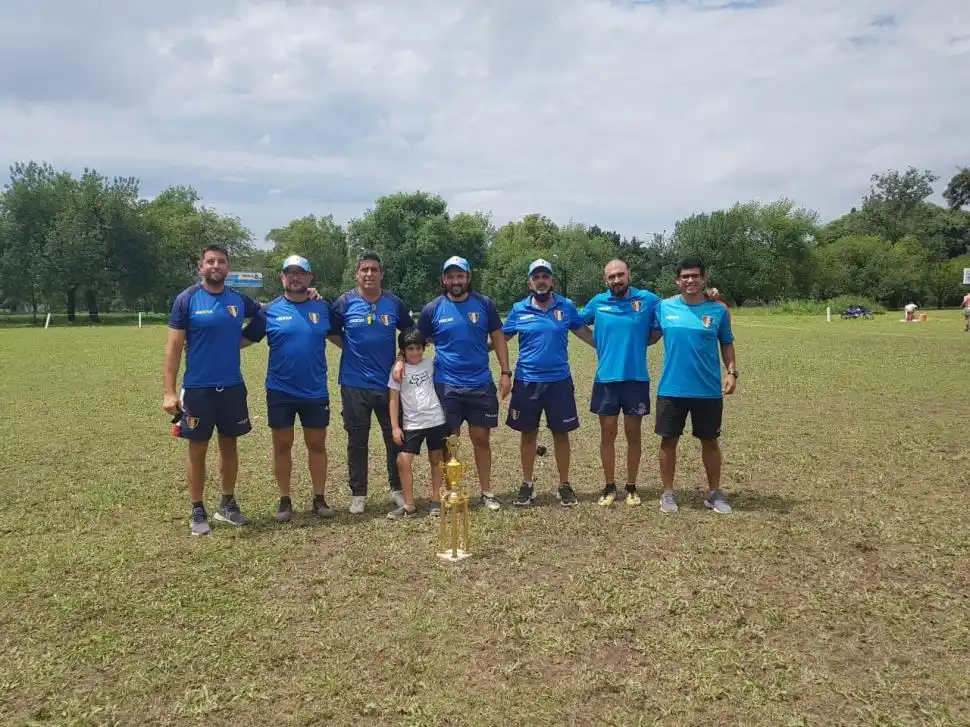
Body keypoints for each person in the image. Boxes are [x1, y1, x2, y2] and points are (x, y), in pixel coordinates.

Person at [162, 244, 260, 536]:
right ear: (200, 267)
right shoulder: (187, 299)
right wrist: (169, 392)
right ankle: (197, 508)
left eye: (221, 262)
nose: (215, 266)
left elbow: (266, 317)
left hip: (231, 387)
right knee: (198, 449)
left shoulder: (239, 300)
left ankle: (227, 505)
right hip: (198, 389)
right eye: (210, 261)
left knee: (229, 446)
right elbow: (174, 348)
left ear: (228, 267)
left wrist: (241, 341)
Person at [241, 255, 336, 522]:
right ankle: (285, 500)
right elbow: (244, 339)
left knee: (316, 444)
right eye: (289, 273)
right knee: (282, 445)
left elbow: (345, 338)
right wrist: (207, 345)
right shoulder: (269, 311)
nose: (295, 277)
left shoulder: (323, 308)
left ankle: (319, 498)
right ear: (282, 278)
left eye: (300, 273)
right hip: (280, 391)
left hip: (315, 391)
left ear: (309, 277)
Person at [414, 256, 512, 510]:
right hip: (446, 386)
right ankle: (451, 492)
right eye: (451, 276)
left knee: (481, 438)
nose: (456, 281)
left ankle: (487, 492)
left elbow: (498, 338)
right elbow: (415, 342)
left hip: (480, 384)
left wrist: (505, 372)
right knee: (450, 441)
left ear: (468, 277)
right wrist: (403, 364)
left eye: (461, 275)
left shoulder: (485, 304)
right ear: (443, 280)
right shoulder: (432, 309)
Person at [501, 259, 594, 507]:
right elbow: (501, 338)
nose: (541, 280)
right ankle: (527, 484)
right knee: (528, 434)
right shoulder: (518, 309)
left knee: (561, 434)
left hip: (559, 382)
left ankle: (564, 485)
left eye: (545, 276)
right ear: (529, 282)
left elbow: (584, 333)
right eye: (536, 276)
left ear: (552, 281)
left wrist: (612, 346)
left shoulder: (567, 307)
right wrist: (472, 346)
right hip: (527, 381)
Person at [652, 259, 738, 515]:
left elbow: (726, 342)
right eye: (685, 277)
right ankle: (667, 493)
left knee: (710, 441)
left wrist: (732, 372)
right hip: (671, 389)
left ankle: (714, 492)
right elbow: (643, 327)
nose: (690, 281)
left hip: (707, 390)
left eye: (695, 276)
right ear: (677, 281)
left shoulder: (718, 310)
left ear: (704, 278)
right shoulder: (664, 307)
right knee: (669, 441)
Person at [330, 252, 412, 515]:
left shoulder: (393, 303)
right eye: (364, 269)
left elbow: (411, 334)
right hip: (353, 384)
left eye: (374, 270)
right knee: (357, 440)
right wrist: (351, 348)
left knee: (395, 438)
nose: (369, 274)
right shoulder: (344, 302)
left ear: (381, 274)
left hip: (388, 385)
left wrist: (401, 358)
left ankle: (397, 489)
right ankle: (359, 493)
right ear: (357, 274)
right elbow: (330, 331)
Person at [581, 259, 662, 508]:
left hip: (635, 379)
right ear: (605, 280)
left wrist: (642, 341)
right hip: (606, 380)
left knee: (633, 434)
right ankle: (609, 486)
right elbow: (574, 322)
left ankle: (631, 487)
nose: (617, 280)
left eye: (621, 275)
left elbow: (663, 322)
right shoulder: (598, 302)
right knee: (608, 434)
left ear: (629, 275)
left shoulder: (648, 300)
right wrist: (598, 342)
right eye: (611, 276)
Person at [387, 328, 450, 519]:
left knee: (436, 459)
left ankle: (436, 500)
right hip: (412, 423)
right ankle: (409, 505)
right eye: (410, 349)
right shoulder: (398, 370)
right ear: (403, 351)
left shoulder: (431, 364)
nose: (415, 352)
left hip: (435, 419)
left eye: (418, 348)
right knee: (403, 460)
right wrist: (395, 427)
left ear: (424, 348)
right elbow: (393, 399)